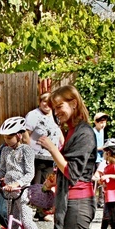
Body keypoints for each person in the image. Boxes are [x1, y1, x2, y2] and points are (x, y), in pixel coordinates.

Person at [37, 85, 97, 229]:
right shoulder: (71, 131)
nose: (56, 112)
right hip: (66, 201)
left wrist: (52, 149)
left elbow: (72, 172)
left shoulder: (85, 133)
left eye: (59, 106)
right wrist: (55, 178)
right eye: (54, 108)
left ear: (74, 103)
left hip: (78, 203)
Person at [0, 116, 54, 229]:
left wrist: (17, 184)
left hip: (22, 191)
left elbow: (30, 173)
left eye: (9, 137)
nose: (6, 140)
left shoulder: (26, 150)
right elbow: (2, 169)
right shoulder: (5, 150)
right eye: (4, 137)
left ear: (18, 135)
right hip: (8, 192)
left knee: (27, 222)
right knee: (12, 223)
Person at [25, 92, 64, 220]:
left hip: (50, 156)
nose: (46, 104)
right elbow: (26, 134)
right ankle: (31, 212)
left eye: (49, 102)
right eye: (44, 101)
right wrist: (28, 150)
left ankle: (42, 212)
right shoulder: (33, 115)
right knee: (36, 185)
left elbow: (58, 131)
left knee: (47, 184)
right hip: (36, 156)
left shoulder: (55, 115)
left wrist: (63, 145)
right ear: (39, 102)